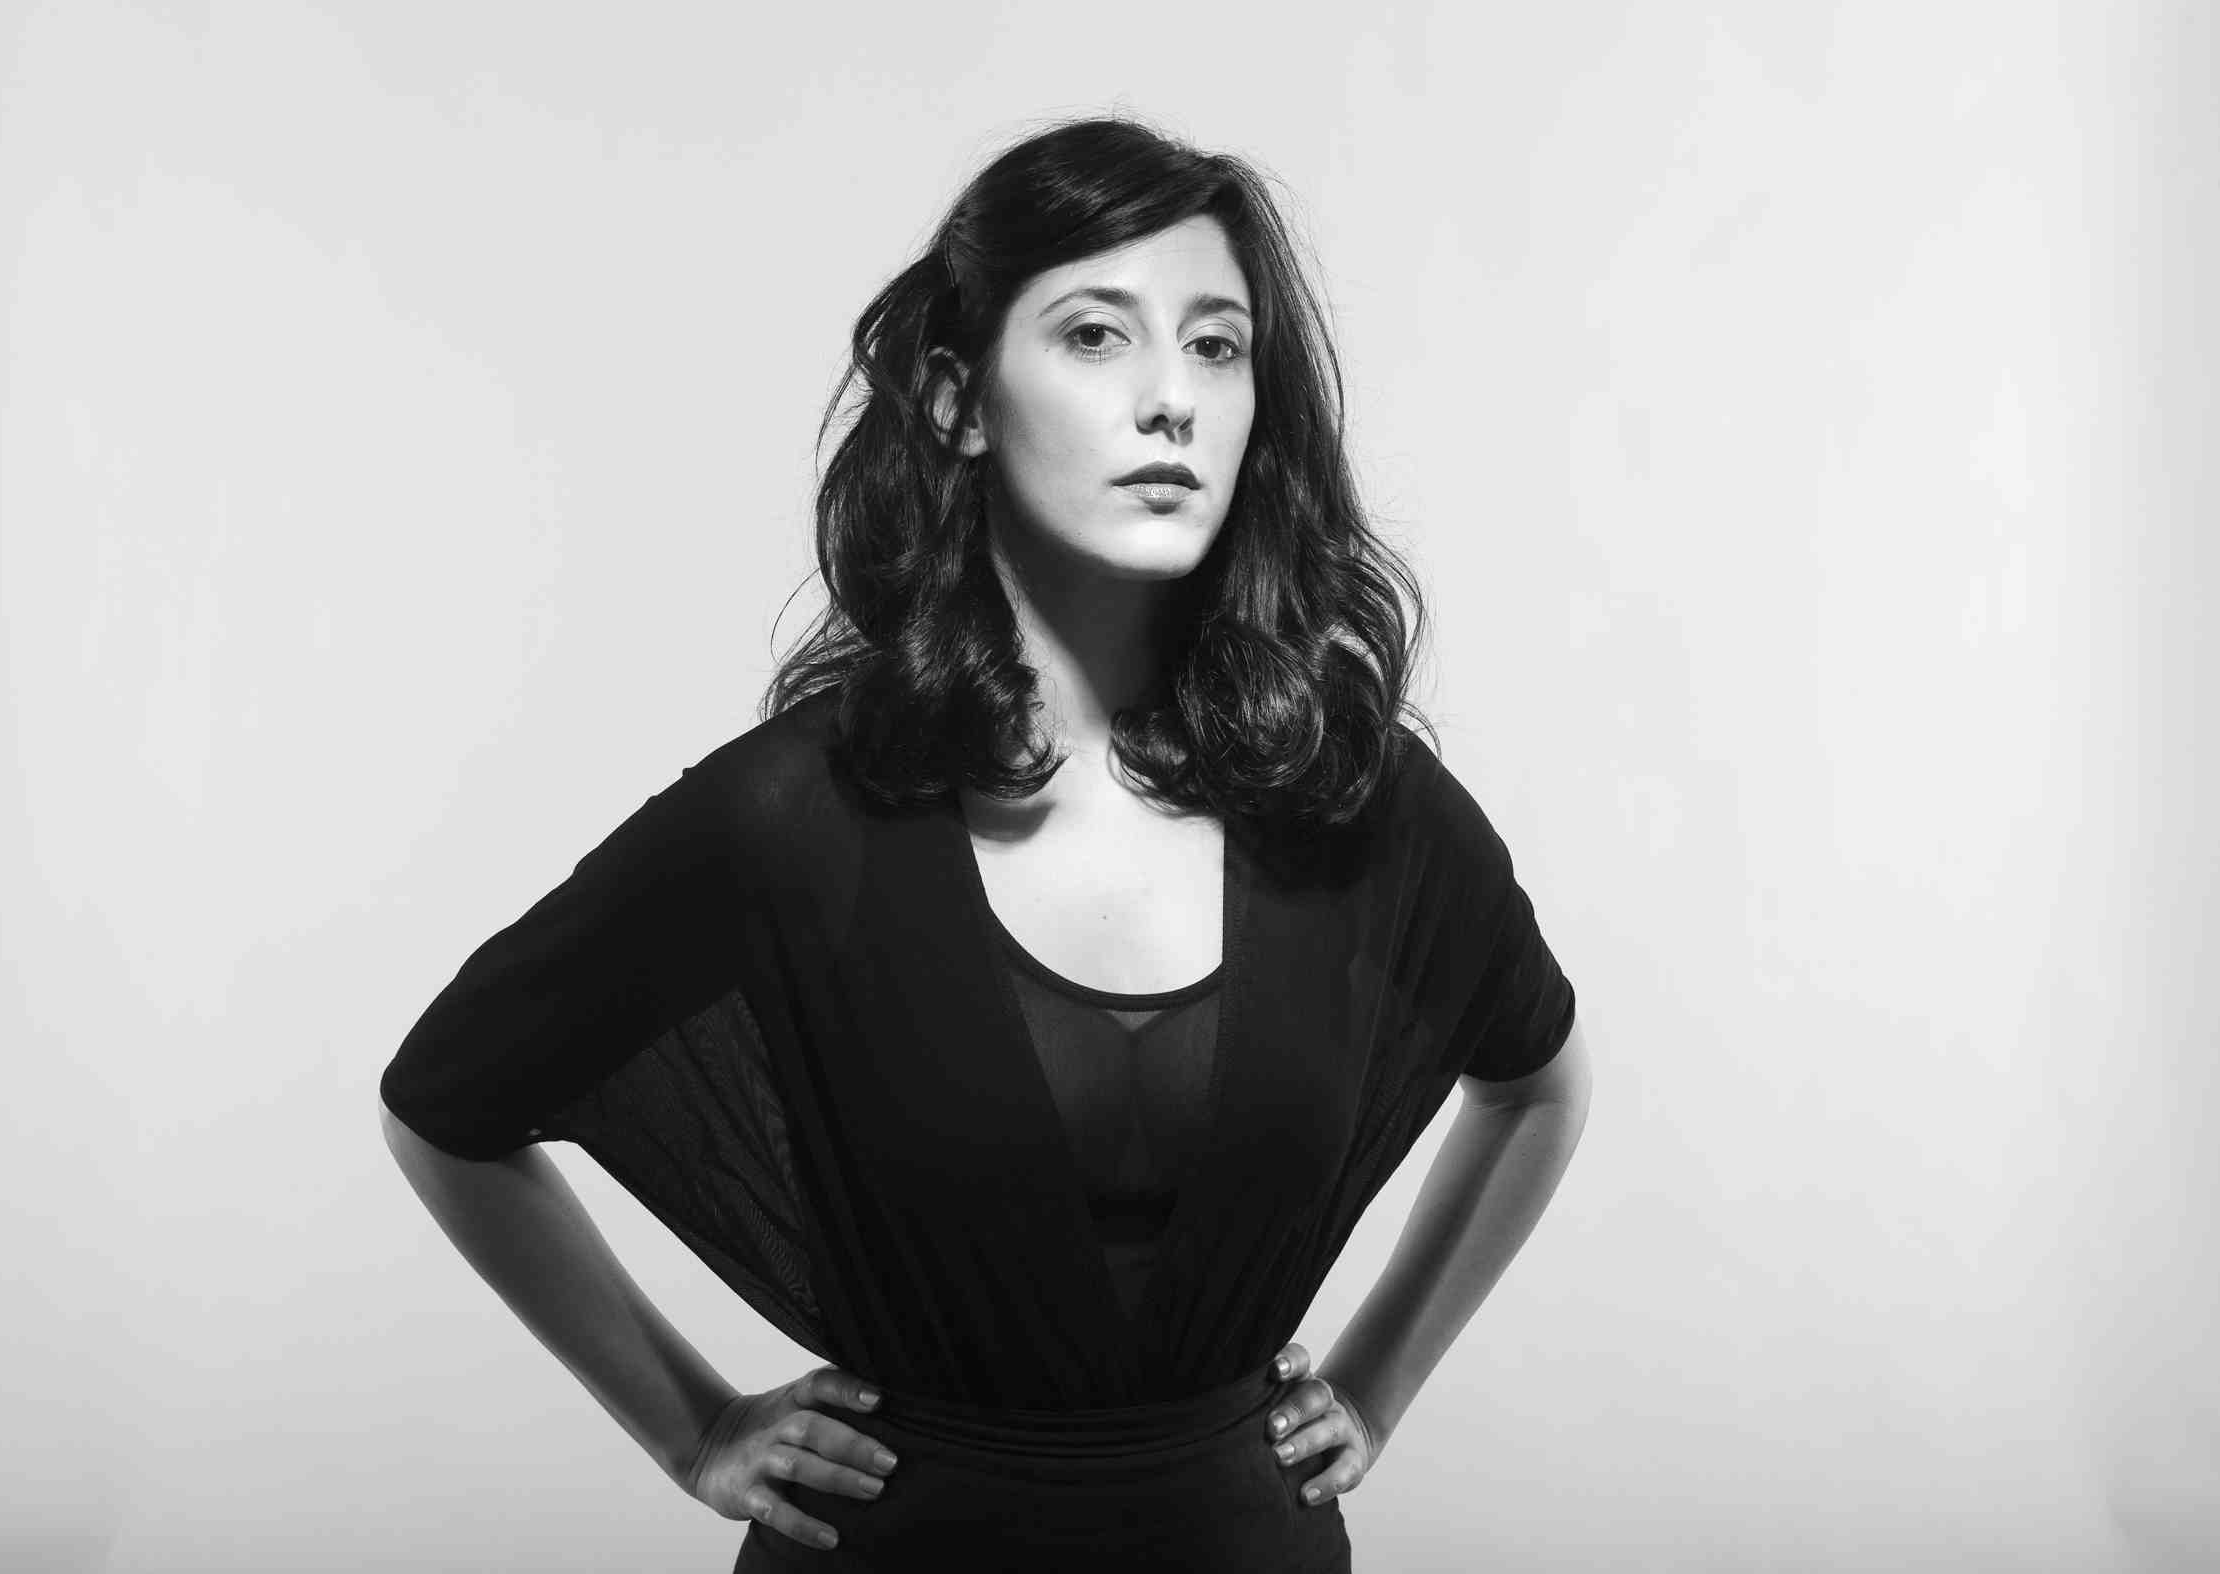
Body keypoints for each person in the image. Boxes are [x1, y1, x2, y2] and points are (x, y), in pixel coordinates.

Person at [379, 113, 1592, 1573]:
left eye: (1216, 347)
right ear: (959, 401)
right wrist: (691, 1427)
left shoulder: (1350, 796)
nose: (1172, 400)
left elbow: (1535, 1089)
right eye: (1096, 335)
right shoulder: (793, 815)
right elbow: (445, 1106)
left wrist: (1379, 1380)